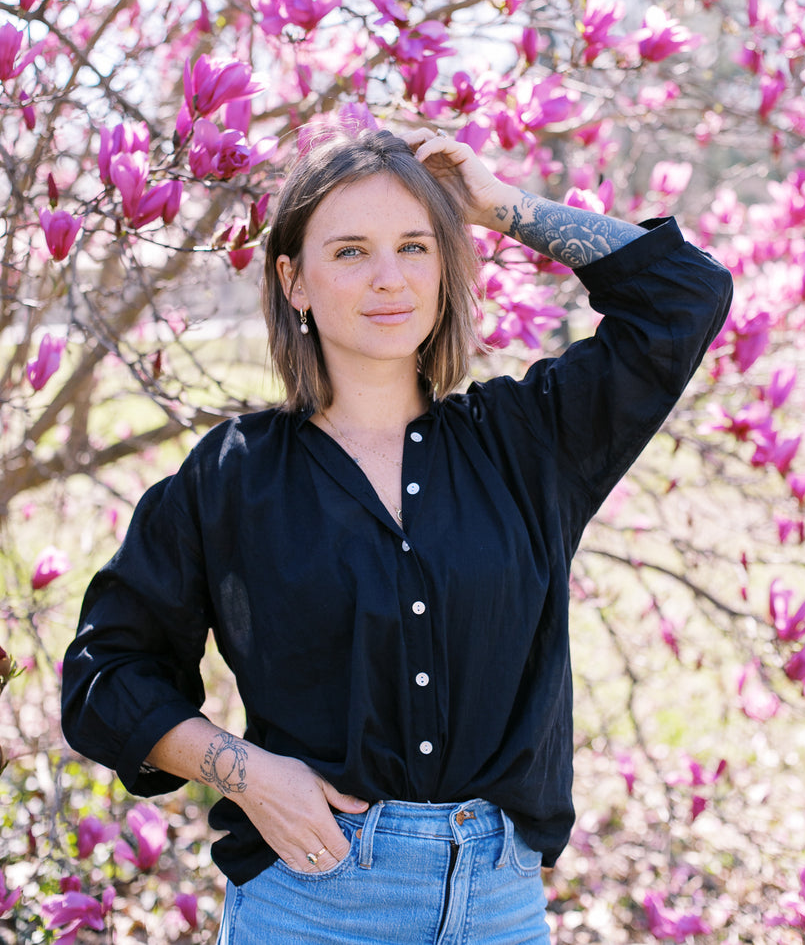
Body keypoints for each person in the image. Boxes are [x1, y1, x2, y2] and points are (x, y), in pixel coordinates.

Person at [62, 126, 733, 944]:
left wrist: (497, 205)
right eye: (350, 251)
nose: (390, 278)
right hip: (313, 903)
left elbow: (685, 292)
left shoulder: (527, 443)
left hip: (500, 908)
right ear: (293, 280)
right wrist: (248, 775)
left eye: (415, 246)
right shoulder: (234, 476)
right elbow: (106, 675)